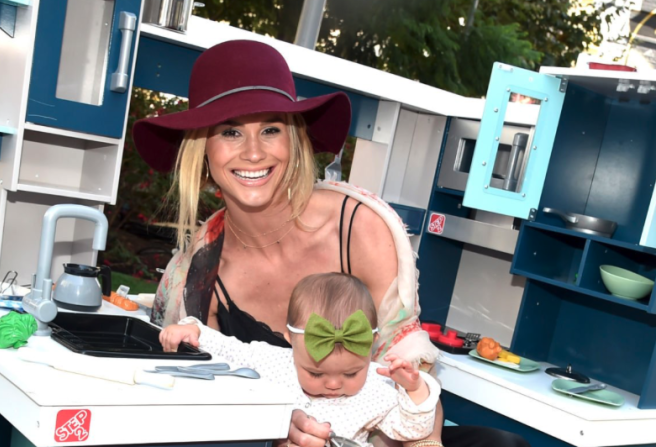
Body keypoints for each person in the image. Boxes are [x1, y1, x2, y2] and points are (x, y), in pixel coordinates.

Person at [133, 39, 530, 447]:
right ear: (202, 148)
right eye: (230, 132)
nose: (253, 152)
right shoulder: (200, 271)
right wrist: (275, 428)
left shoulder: (359, 230)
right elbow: (205, 404)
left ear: (295, 140)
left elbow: (413, 394)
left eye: (270, 129)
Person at [160, 273, 442, 446]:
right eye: (316, 374)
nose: (333, 384)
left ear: (371, 346)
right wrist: (195, 330)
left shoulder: (376, 385)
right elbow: (233, 350)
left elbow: (411, 430)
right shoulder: (277, 362)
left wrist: (415, 390)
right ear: (291, 341)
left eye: (351, 373)